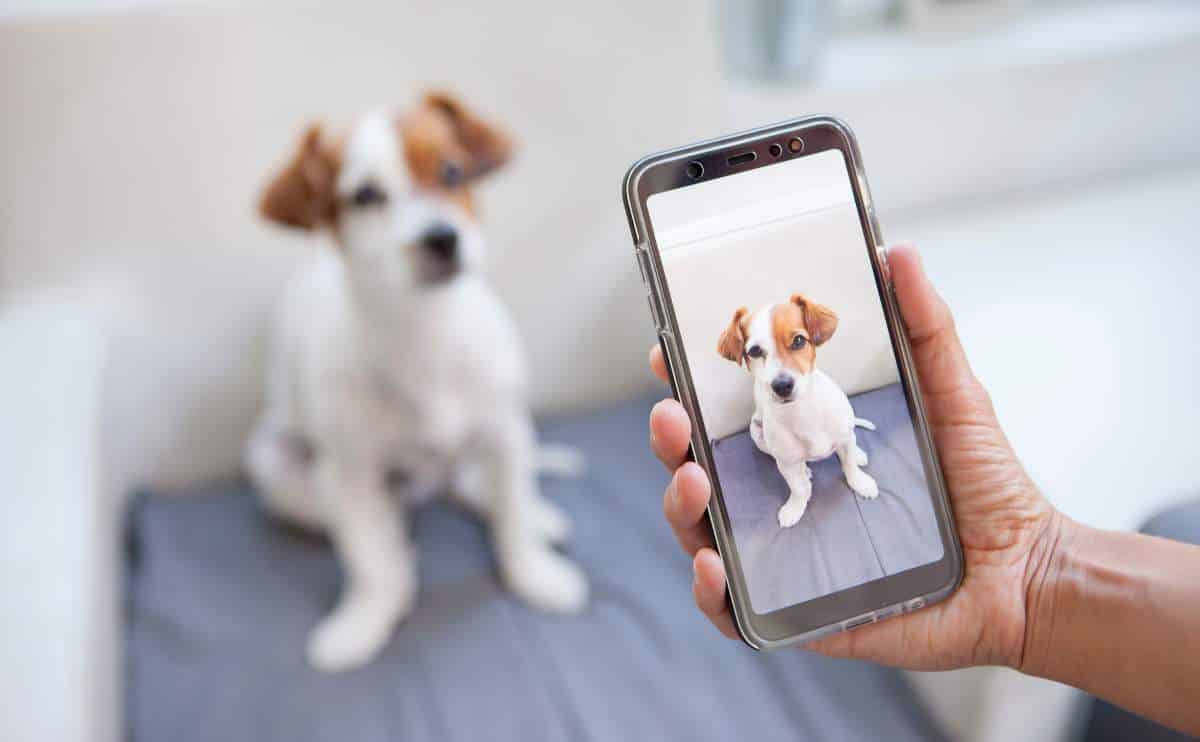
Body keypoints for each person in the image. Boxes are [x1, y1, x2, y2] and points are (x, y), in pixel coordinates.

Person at [646, 244, 1200, 736]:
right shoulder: (765, 409)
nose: (780, 370)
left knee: (844, 441)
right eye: (759, 354)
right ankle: (800, 487)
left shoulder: (831, 397)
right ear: (743, 357)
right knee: (774, 447)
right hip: (780, 439)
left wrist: (854, 463)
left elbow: (841, 434)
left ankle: (852, 465)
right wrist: (798, 491)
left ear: (814, 338)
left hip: (834, 431)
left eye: (794, 345)